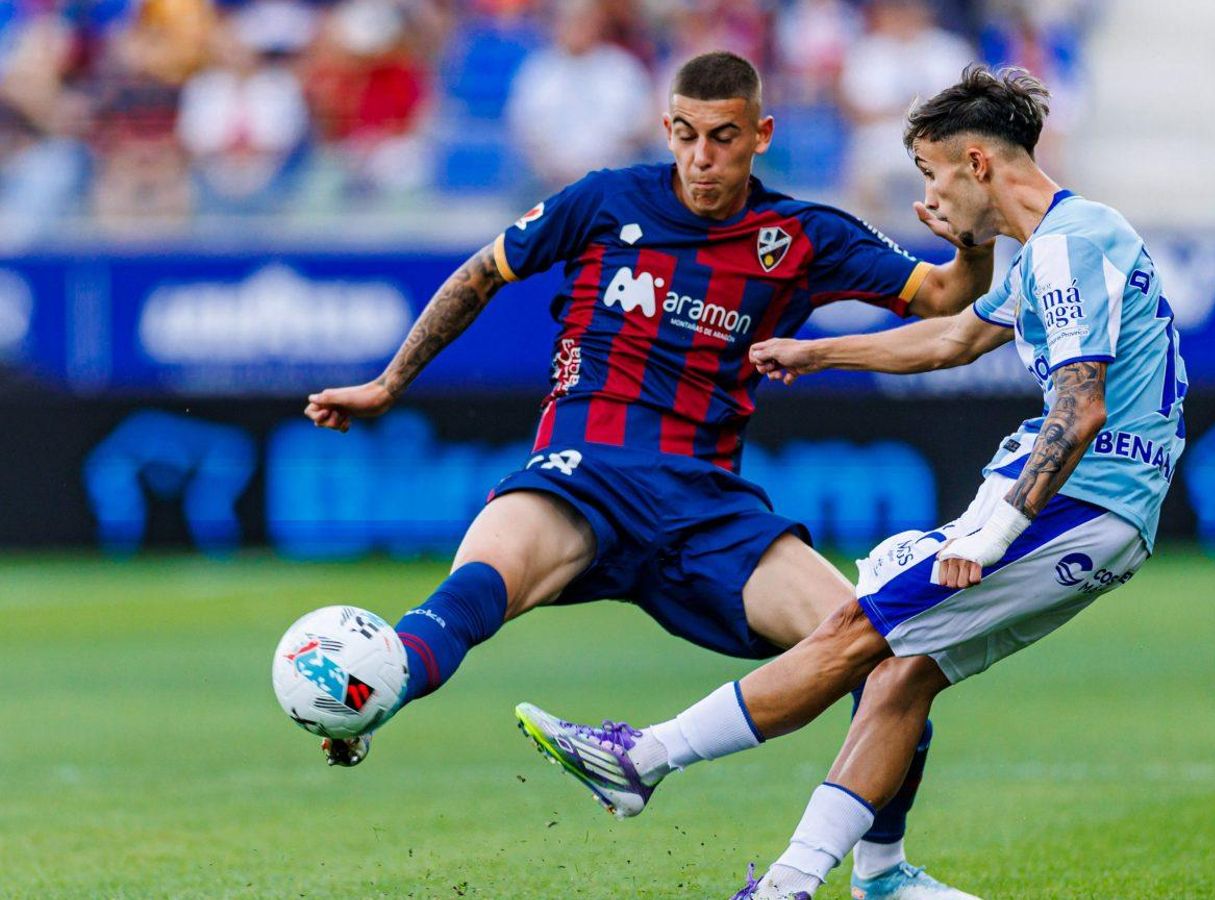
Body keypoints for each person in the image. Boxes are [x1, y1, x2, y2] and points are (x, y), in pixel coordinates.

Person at [301, 50, 993, 900]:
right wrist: (389, 382)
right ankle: (375, 693)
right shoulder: (603, 200)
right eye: (686, 136)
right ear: (667, 129)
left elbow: (943, 298)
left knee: (890, 649)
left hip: (707, 507)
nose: (702, 158)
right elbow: (483, 272)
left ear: (761, 136)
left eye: (724, 138)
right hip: (580, 473)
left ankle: (881, 875)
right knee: (474, 587)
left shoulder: (803, 238)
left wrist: (972, 238)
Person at [513, 64, 1188, 899]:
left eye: (933, 174)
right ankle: (845, 880)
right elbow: (948, 341)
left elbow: (1081, 407)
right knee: (901, 669)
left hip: (1082, 499)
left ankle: (642, 758)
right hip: (1097, 501)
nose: (932, 196)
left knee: (851, 632)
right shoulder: (1061, 242)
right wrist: (818, 350)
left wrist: (996, 529)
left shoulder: (1066, 245)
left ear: (976, 164)